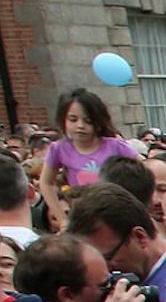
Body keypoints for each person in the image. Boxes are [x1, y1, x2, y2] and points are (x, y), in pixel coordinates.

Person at [38, 89, 140, 229]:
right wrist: (62, 218)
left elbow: (144, 171)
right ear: (64, 120)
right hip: (84, 216)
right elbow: (46, 183)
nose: (80, 126)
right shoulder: (58, 149)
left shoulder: (115, 146)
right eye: (73, 119)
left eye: (88, 121)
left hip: (119, 214)